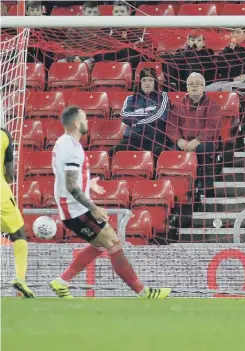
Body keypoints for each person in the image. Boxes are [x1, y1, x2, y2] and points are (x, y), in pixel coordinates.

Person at [49, 106, 170, 299]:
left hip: (71, 207)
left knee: (100, 245)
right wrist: (93, 207)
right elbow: (71, 185)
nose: (87, 122)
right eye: (85, 118)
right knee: (113, 243)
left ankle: (62, 281)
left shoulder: (62, 143)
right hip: (76, 209)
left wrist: (89, 184)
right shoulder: (72, 147)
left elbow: (66, 178)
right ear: (76, 123)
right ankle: (143, 291)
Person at [166, 72, 221, 197]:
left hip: (203, 142)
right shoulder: (178, 106)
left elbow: (212, 127)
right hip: (183, 142)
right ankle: (179, 189)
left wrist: (197, 141)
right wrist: (179, 140)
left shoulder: (213, 105)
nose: (194, 87)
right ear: (187, 87)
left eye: (197, 84)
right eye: (191, 84)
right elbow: (171, 126)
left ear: (203, 86)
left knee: (202, 149)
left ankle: (206, 187)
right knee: (171, 152)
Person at [0, 126, 35, 298]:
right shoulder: (4, 135)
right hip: (2, 196)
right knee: (18, 235)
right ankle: (20, 278)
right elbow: (10, 173)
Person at [111, 68, 170, 159]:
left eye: (150, 80)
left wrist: (135, 120)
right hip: (134, 137)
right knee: (113, 152)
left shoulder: (164, 96)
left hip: (155, 138)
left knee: (159, 154)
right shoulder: (130, 98)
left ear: (155, 83)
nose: (147, 83)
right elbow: (125, 116)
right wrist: (148, 113)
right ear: (140, 82)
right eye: (144, 80)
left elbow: (160, 116)